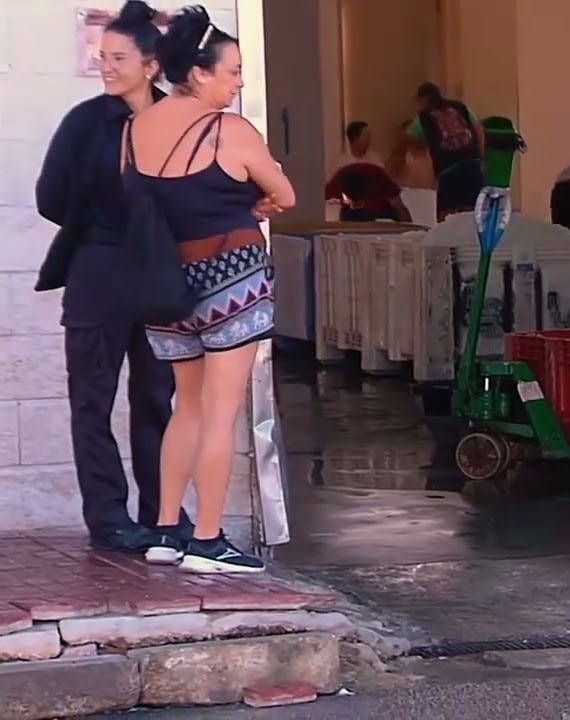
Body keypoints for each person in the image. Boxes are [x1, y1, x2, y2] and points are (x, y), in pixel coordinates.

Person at [128, 5, 296, 573]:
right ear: (199, 72)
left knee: (186, 407)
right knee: (222, 413)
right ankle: (207, 541)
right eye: (233, 70)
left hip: (165, 281)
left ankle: (166, 531)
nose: (240, 80)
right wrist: (256, 201)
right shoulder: (231, 129)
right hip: (231, 277)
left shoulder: (136, 128)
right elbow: (285, 195)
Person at [34, 1, 191, 554]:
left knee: (157, 399)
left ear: (150, 65)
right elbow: (50, 197)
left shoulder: (181, 120)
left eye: (118, 58)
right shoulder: (85, 121)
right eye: (103, 57)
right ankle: (108, 519)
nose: (106, 67)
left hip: (160, 276)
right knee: (92, 400)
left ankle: (164, 513)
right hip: (97, 270)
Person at [406, 82, 484, 220]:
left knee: (448, 217)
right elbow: (478, 131)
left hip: (449, 170)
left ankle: (450, 241)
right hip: (473, 165)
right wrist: (481, 156)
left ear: (425, 99)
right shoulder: (460, 107)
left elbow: (409, 140)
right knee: (474, 213)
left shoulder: (423, 118)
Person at [324, 162, 410, 222]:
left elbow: (399, 206)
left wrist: (409, 229)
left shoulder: (380, 178)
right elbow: (320, 198)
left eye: (360, 203)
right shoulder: (338, 181)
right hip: (351, 214)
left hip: (380, 212)